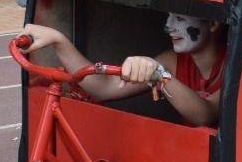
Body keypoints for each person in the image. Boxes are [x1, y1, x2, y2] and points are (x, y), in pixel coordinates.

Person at [22, 13, 224, 128]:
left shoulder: (238, 67)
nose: (168, 26)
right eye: (169, 16)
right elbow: (102, 89)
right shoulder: (174, 60)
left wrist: (159, 74)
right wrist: (59, 41)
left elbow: (204, 115)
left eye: (179, 18)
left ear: (213, 23)